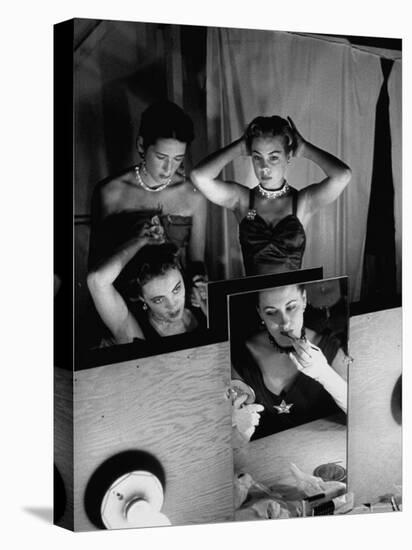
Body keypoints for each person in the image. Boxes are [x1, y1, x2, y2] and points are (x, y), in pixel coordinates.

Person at [191, 116, 351, 275]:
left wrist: (304, 149)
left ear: (288, 157)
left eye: (273, 158)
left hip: (291, 299)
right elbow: (199, 176)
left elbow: (342, 175)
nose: (264, 167)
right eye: (257, 157)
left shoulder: (302, 201)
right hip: (253, 297)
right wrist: (240, 148)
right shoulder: (243, 200)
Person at [89, 100, 208, 290]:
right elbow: (96, 266)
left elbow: (197, 262)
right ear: (142, 145)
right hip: (123, 303)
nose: (169, 169)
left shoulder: (193, 197)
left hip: (175, 302)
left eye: (177, 159)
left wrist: (200, 282)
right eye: (161, 157)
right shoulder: (109, 192)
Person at [231, 284, 348, 440]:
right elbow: (234, 442)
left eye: (291, 307)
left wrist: (325, 374)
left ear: (304, 300)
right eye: (271, 312)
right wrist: (240, 433)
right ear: (260, 313)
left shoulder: (331, 349)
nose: (285, 323)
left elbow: (360, 414)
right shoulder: (242, 356)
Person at [87, 219, 206, 345]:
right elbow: (97, 279)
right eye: (159, 300)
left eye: (176, 289)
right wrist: (141, 241)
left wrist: (214, 308)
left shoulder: (201, 303)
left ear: (181, 275)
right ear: (142, 297)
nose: (172, 305)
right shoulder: (135, 330)